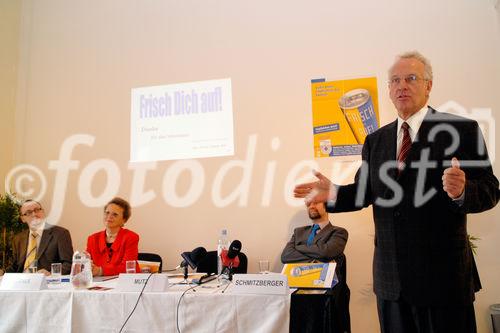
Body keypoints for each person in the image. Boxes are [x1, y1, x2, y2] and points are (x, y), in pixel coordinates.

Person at [294, 51, 499, 333]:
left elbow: (490, 189)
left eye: (411, 78)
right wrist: (333, 193)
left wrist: (463, 191)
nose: (402, 85)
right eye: (395, 80)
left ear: (428, 86)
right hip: (392, 284)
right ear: (389, 90)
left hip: (444, 282)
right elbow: (365, 192)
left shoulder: (461, 130)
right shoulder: (376, 141)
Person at [1, 199, 73, 276]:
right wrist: (3, 272)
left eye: (37, 210)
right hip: (21, 282)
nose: (34, 214)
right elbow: (14, 267)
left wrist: (51, 274)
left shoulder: (60, 233)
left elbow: (68, 264)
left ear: (43, 212)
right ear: (23, 219)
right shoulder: (18, 238)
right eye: (28, 212)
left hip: (46, 282)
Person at [86, 197, 139, 276]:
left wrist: (100, 271)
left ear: (124, 220)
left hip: (124, 284)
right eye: (107, 212)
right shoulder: (92, 239)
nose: (109, 216)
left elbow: (127, 268)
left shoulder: (131, 237)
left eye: (115, 214)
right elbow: (87, 265)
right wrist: (85, 264)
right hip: (99, 284)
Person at [281, 201, 348, 264]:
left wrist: (298, 247)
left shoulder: (339, 232)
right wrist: (316, 260)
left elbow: (325, 253)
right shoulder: (298, 232)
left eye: (316, 203)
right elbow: (285, 256)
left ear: (327, 206)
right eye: (308, 204)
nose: (311, 206)